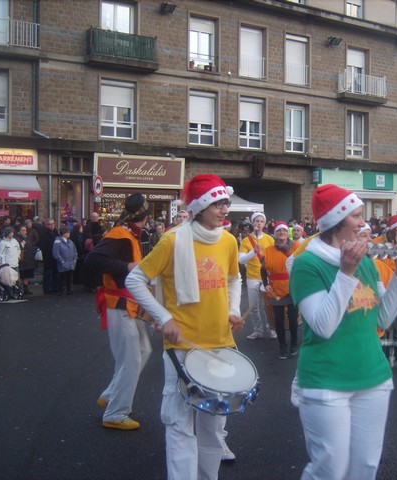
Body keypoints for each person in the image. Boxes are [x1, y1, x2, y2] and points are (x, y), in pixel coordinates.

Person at [289, 184, 397, 479]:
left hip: (373, 377)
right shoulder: (308, 264)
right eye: (357, 216)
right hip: (325, 381)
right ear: (337, 220)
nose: (364, 223)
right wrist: (346, 273)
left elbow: (383, 319)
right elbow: (322, 326)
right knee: (330, 470)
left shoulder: (368, 262)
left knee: (365, 467)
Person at [125, 174, 243, 478]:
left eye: (226, 203)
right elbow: (135, 280)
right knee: (180, 424)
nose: (224, 209)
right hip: (181, 349)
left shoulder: (228, 240)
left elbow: (234, 279)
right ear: (201, 207)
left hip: (220, 345)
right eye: (218, 203)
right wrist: (162, 318)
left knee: (213, 427)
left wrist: (232, 309)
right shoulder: (172, 240)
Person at [84, 194, 153, 430]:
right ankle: (115, 411)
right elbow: (93, 260)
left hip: (128, 304)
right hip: (119, 304)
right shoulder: (120, 235)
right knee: (131, 359)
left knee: (143, 350)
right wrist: (127, 266)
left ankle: (111, 394)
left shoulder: (129, 234)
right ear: (145, 216)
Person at [261, 221, 301, 359]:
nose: (282, 233)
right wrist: (265, 283)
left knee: (292, 319)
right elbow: (263, 270)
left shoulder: (297, 246)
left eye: (284, 230)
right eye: (279, 231)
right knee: (278, 320)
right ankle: (282, 347)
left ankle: (294, 344)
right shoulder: (268, 250)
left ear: (287, 232)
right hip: (275, 289)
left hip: (293, 287)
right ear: (275, 234)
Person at [239, 211, 276, 340]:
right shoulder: (246, 240)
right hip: (252, 276)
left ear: (264, 224)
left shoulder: (270, 239)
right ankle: (258, 330)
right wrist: (253, 252)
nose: (259, 223)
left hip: (267, 277)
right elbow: (241, 260)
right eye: (256, 221)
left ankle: (272, 328)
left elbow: (274, 257)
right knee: (253, 307)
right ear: (252, 223)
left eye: (261, 221)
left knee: (269, 306)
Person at [52, 225, 78, 295]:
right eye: (67, 232)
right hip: (63, 263)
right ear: (63, 233)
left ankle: (69, 289)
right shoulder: (58, 241)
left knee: (69, 277)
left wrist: (75, 259)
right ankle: (62, 289)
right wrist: (61, 260)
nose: (69, 233)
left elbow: (75, 251)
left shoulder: (70, 242)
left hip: (70, 262)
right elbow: (55, 253)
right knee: (62, 277)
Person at [0, 226, 21, 298]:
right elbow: (1, 254)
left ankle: (16, 292)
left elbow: (18, 249)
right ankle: (10, 293)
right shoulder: (3, 243)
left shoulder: (15, 241)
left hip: (15, 263)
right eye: (11, 232)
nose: (12, 234)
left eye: (13, 232)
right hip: (8, 265)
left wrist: (18, 257)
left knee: (16, 279)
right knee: (9, 280)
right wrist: (3, 264)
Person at [38, 218, 60, 294]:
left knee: (55, 272)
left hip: (55, 255)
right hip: (48, 256)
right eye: (50, 224)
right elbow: (43, 245)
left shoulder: (55, 232)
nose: (52, 226)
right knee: (47, 272)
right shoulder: (43, 233)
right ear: (46, 225)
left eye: (53, 224)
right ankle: (47, 288)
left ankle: (55, 287)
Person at [16, 224, 36, 295]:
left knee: (26, 275)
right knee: (22, 274)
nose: (24, 232)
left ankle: (26, 288)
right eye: (22, 230)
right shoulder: (18, 239)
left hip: (28, 259)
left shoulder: (27, 238)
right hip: (22, 259)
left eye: (25, 230)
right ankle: (19, 288)